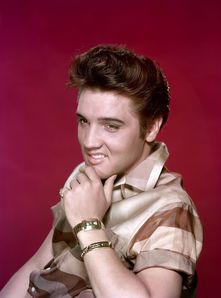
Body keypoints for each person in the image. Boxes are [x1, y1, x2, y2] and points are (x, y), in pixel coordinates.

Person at [0, 45, 203, 298]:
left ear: (151, 127)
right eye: (83, 121)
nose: (89, 141)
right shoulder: (87, 177)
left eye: (111, 126)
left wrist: (88, 225)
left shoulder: (170, 208)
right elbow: (37, 264)